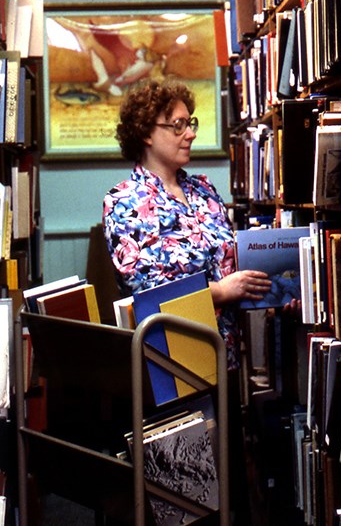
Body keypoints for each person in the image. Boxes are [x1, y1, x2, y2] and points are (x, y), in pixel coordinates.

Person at [102, 77, 273, 524]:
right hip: (170, 370)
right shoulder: (124, 202)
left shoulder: (204, 191)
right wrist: (220, 291)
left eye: (190, 122)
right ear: (145, 132)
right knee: (186, 503)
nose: (190, 133)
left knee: (227, 498)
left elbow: (231, 257)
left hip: (223, 362)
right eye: (177, 125)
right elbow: (143, 288)